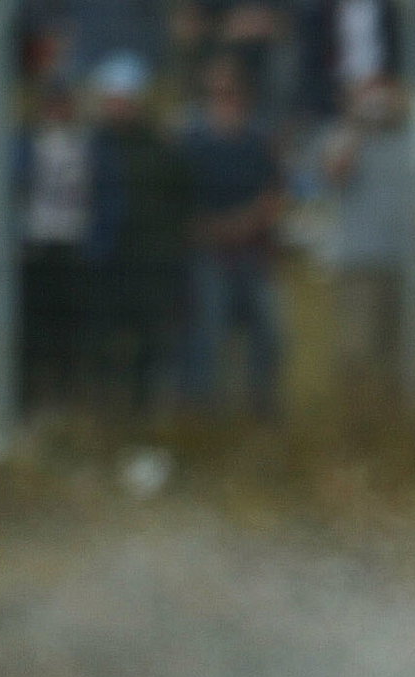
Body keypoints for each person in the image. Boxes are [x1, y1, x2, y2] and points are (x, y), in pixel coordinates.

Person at [84, 52, 192, 410]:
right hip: (105, 264)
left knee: (149, 345)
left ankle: (141, 411)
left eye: (125, 101)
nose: (119, 108)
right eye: (113, 101)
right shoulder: (92, 148)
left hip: (150, 265)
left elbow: (179, 202)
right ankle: (104, 411)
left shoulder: (160, 149)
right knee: (103, 343)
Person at [180, 57, 284, 416]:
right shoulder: (191, 143)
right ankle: (205, 409)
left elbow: (275, 194)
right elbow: (180, 205)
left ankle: (261, 407)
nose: (222, 98)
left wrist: (246, 224)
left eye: (228, 91)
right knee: (207, 330)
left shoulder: (258, 140)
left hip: (254, 254)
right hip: (208, 254)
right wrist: (216, 230)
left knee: (269, 332)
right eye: (215, 92)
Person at [321, 71, 414, 389]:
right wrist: (357, 124)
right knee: (357, 350)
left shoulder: (410, 135)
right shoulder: (342, 134)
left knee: (402, 358)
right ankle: (355, 421)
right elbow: (335, 172)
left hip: (404, 261)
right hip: (360, 260)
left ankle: (394, 422)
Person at [18, 79, 92, 406]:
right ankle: (29, 396)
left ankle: (67, 396)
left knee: (69, 329)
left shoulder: (86, 144)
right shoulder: (25, 144)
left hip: (72, 244)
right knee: (33, 329)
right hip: (36, 245)